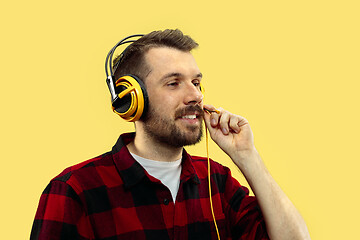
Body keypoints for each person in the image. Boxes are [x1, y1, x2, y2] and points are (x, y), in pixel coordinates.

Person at [31, 29, 310, 240]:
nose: (196, 96)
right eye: (174, 83)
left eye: (197, 82)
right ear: (131, 98)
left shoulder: (217, 182)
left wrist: (247, 156)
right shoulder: (74, 190)